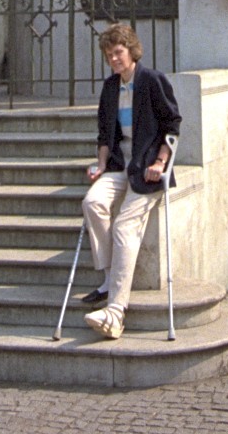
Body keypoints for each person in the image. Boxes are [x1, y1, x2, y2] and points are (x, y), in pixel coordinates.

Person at [81, 22, 181, 341]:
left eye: (119, 52)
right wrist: (99, 167)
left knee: (124, 226)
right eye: (109, 54)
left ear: (131, 51)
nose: (114, 59)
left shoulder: (151, 80)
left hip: (146, 167)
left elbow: (172, 125)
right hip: (119, 164)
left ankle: (115, 311)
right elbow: (103, 134)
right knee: (93, 202)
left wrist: (160, 162)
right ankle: (111, 277)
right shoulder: (111, 87)